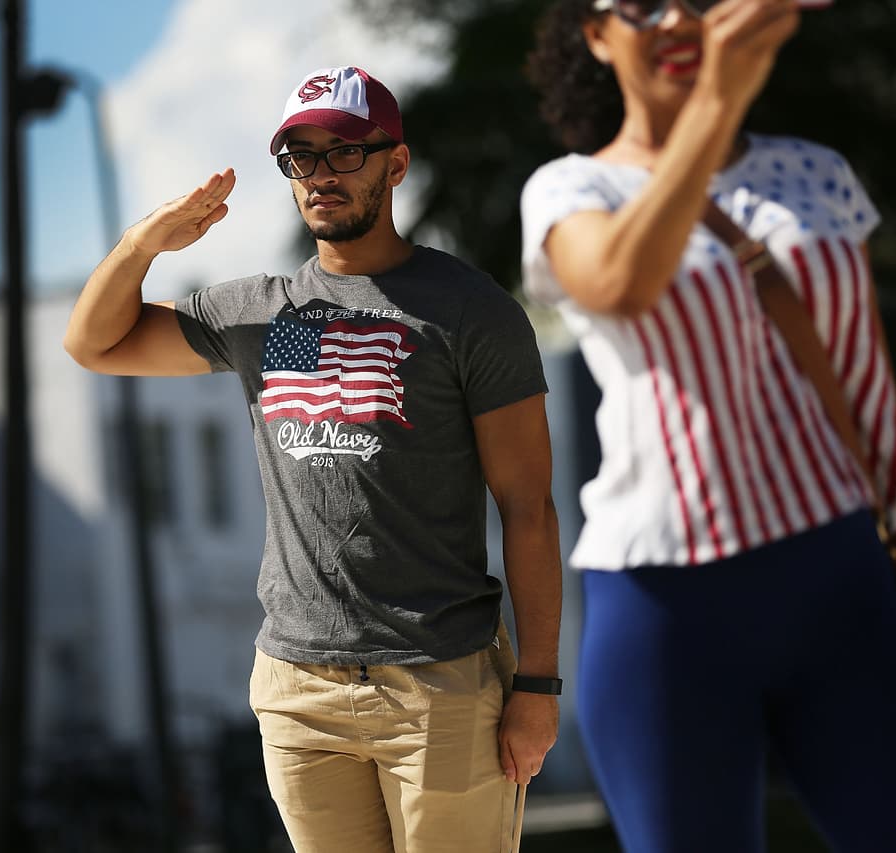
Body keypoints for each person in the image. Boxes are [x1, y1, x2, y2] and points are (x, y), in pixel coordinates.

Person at [64, 65, 563, 852]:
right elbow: (93, 344)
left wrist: (537, 685)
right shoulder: (259, 314)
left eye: (345, 152)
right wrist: (141, 245)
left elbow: (529, 506)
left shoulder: (471, 311)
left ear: (396, 164)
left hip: (439, 682)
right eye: (302, 156)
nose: (321, 173)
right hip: (297, 691)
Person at [519, 1, 896, 850]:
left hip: (840, 580)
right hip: (664, 611)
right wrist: (714, 106)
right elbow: (620, 285)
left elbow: (872, 395)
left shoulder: (814, 172)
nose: (675, 19)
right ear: (596, 34)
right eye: (642, 5)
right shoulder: (570, 191)